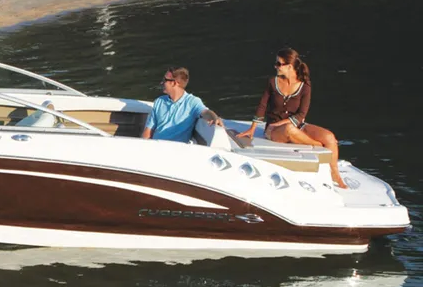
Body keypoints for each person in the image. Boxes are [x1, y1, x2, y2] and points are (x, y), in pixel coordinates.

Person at [237, 47, 347, 188]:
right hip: (273, 130)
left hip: (296, 125)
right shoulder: (272, 81)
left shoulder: (305, 86)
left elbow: (301, 115)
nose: (275, 66)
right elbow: (262, 106)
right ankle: (318, 146)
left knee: (330, 137)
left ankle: (335, 174)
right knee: (289, 129)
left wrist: (280, 124)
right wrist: (252, 128)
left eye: (279, 64)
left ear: (289, 66)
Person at [141, 66, 223, 143]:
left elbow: (205, 112)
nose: (162, 82)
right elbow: (148, 131)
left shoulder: (192, 102)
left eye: (165, 80)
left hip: (176, 151)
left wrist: (214, 118)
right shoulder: (159, 101)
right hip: (154, 147)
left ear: (174, 83)